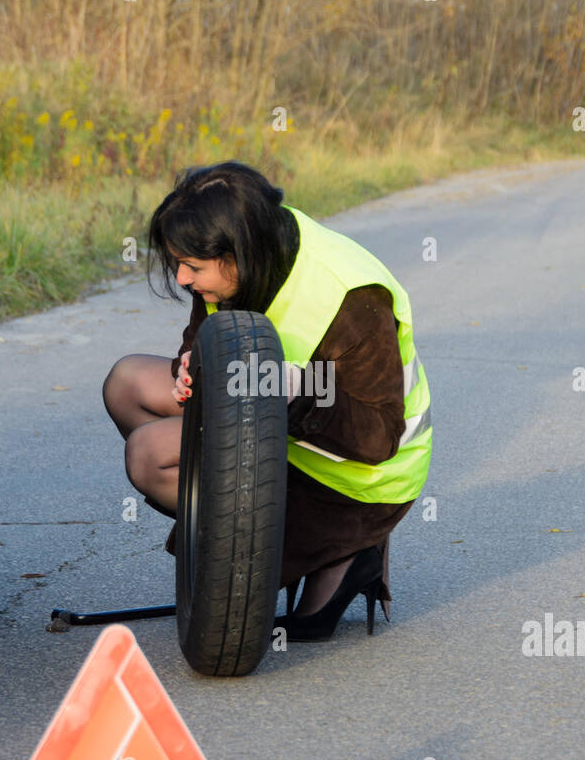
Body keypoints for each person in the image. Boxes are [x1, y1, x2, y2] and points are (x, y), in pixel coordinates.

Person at [102, 161, 432, 641]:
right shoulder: (249, 245)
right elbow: (203, 333)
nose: (181, 279)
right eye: (177, 263)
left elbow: (379, 437)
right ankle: (259, 541)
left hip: (356, 478)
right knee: (127, 382)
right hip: (275, 419)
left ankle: (332, 545)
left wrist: (296, 389)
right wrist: (192, 366)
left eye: (192, 267)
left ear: (239, 251)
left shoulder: (352, 297)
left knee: (150, 453)